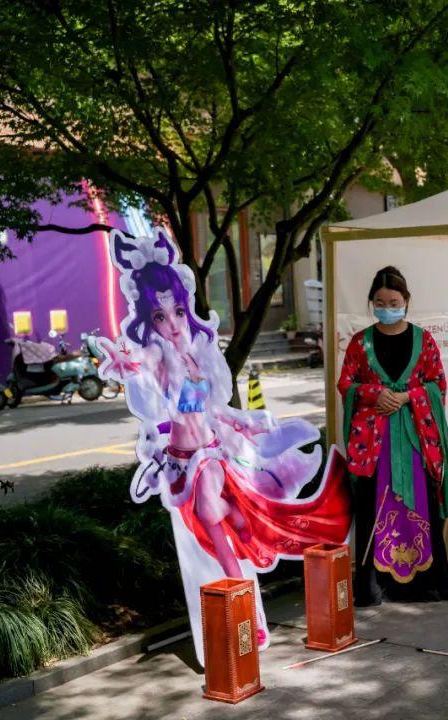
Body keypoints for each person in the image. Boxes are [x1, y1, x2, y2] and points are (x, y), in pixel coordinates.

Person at [96, 229, 351, 663]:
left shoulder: (196, 354)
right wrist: (128, 363)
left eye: (177, 311)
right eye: (160, 317)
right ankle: (245, 586)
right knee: (214, 516)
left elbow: (210, 407)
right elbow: (143, 367)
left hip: (211, 452)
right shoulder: (160, 356)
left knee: (214, 514)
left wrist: (243, 421)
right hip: (183, 459)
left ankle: (246, 603)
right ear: (148, 321)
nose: (173, 323)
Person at [338, 266, 448, 607]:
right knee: (373, 505)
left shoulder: (424, 340)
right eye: (379, 301)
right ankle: (373, 586)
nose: (386, 306)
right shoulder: (360, 342)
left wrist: (409, 397)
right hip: (374, 443)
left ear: (406, 301)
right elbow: (346, 384)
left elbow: (438, 383)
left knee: (420, 502)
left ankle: (428, 583)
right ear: (371, 303)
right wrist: (373, 394)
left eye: (393, 301)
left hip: (414, 439)